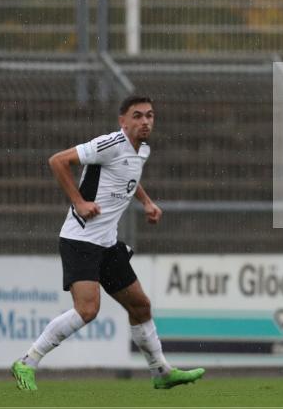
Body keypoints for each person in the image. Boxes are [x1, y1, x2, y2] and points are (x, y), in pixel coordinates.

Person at [10, 96, 204, 391]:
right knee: (87, 310)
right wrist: (79, 202)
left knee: (140, 306)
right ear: (122, 121)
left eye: (149, 116)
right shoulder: (110, 144)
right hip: (81, 239)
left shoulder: (141, 151)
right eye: (137, 116)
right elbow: (58, 161)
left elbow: (128, 177)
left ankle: (161, 372)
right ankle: (27, 361)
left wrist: (147, 202)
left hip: (107, 243)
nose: (145, 122)